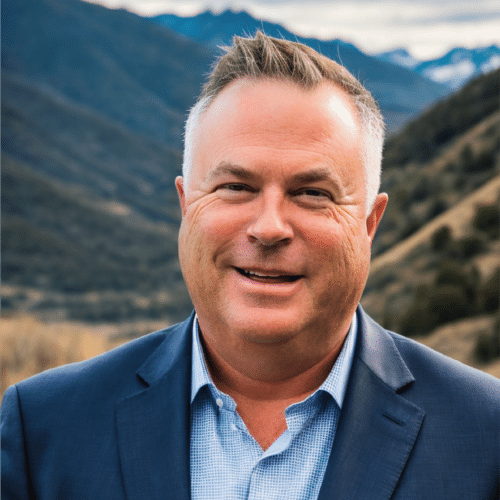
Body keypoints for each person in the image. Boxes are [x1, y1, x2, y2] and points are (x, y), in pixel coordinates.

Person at [1, 32, 499, 500]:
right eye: (235, 187)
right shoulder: (44, 427)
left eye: (312, 194)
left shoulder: (487, 437)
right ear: (185, 205)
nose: (268, 227)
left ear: (369, 223)